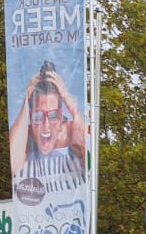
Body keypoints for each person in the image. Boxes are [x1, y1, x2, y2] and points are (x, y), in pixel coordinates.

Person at [8, 62, 87, 200]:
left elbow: (90, 156)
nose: (46, 125)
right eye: (38, 116)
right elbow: (13, 164)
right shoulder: (24, 161)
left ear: (61, 118)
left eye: (53, 115)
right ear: (30, 119)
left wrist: (72, 106)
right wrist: (26, 100)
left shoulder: (74, 161)